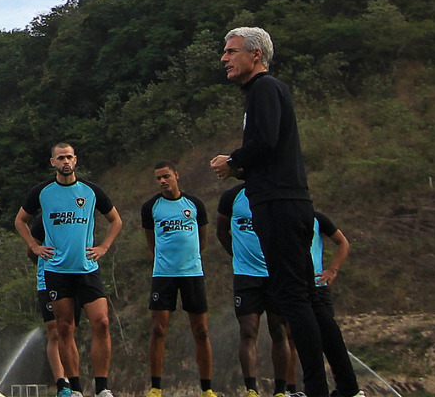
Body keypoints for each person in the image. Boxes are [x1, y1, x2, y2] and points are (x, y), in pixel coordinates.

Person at [210, 27, 363, 397]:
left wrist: (232, 162)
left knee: (293, 298)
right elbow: (270, 150)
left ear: (256, 55)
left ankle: (315, 388)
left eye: (231, 52)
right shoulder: (263, 93)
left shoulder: (265, 88)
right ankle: (346, 385)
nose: (224, 58)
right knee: (308, 297)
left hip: (279, 205)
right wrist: (244, 166)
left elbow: (265, 141)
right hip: (286, 202)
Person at [15, 142, 122, 397]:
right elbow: (20, 220)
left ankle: (103, 388)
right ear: (52, 162)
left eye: (69, 157)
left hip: (87, 268)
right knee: (64, 328)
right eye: (60, 157)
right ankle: (74, 388)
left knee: (102, 322)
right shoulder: (42, 192)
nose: (66, 162)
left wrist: (104, 247)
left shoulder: (91, 191)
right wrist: (34, 245)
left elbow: (115, 220)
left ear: (76, 160)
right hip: (57, 271)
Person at [140, 162, 215, 397]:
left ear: (176, 175)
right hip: (163, 275)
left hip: (192, 274)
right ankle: (155, 388)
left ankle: (207, 389)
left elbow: (202, 241)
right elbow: (151, 242)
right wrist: (163, 260)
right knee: (159, 330)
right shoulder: (151, 207)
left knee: (201, 331)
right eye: (158, 178)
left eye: (166, 176)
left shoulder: (194, 205)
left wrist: (190, 259)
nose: (162, 181)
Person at [217, 183, 291, 397]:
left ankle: (280, 390)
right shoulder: (231, 196)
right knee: (248, 330)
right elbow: (222, 232)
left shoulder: (276, 193)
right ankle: (252, 389)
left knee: (279, 330)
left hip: (274, 274)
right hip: (246, 276)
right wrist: (238, 257)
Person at [284, 210, 353, 397]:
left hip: (317, 288)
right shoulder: (280, 219)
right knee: (297, 340)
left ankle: (344, 388)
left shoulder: (317, 218)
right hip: (296, 290)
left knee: (327, 340)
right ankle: (299, 389)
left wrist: (333, 270)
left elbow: (343, 242)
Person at [27, 216, 70, 397]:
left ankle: (72, 379)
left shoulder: (79, 215)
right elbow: (31, 251)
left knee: (68, 330)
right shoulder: (44, 219)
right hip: (47, 282)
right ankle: (61, 383)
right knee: (54, 330)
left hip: (73, 277)